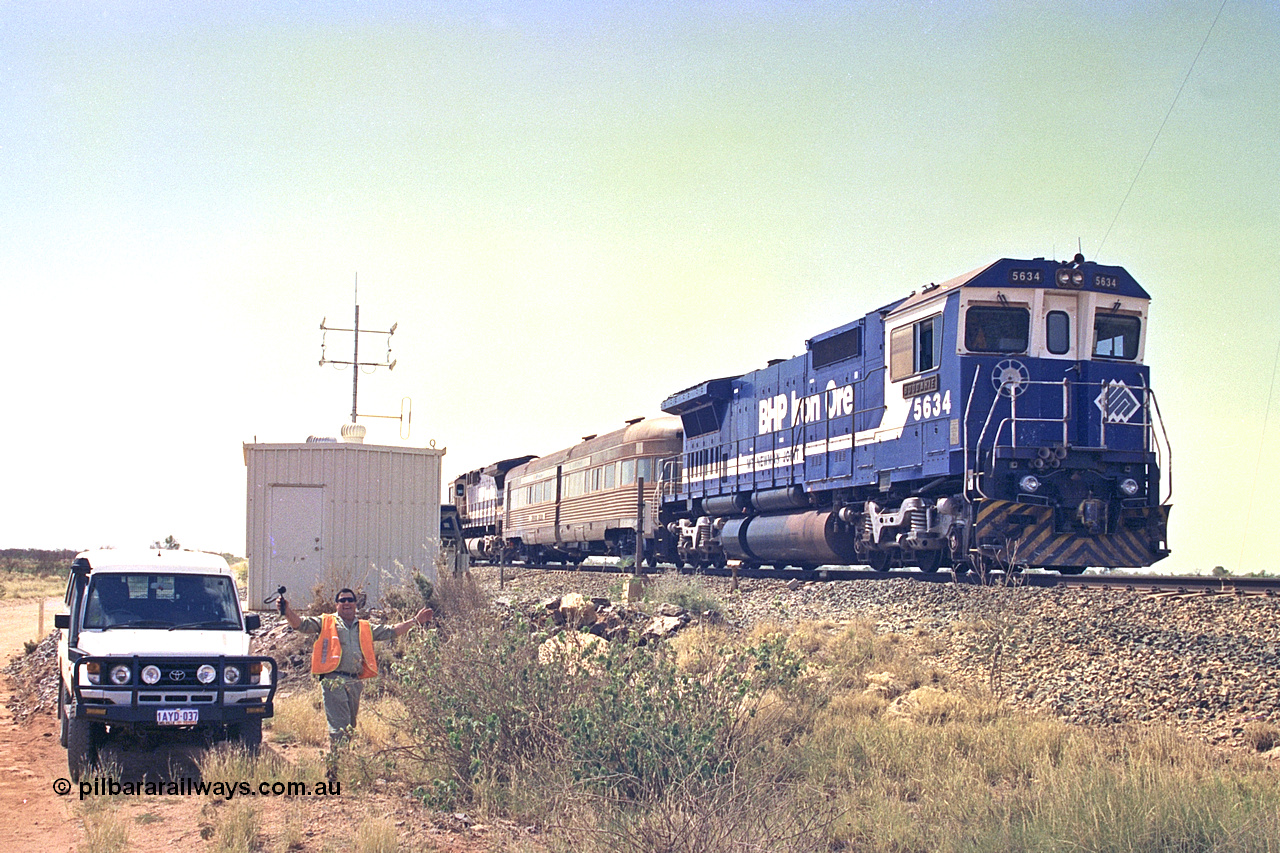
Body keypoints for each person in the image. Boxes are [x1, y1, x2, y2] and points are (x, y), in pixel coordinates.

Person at [280, 588, 432, 757]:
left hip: (355, 682)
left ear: (355, 604)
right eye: (342, 600)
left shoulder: (364, 626)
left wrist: (415, 621)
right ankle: (336, 768)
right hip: (333, 680)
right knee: (340, 727)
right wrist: (287, 611)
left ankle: (342, 762)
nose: (346, 603)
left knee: (350, 727)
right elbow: (300, 624)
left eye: (350, 600)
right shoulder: (325, 622)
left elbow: (391, 631)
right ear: (337, 604)